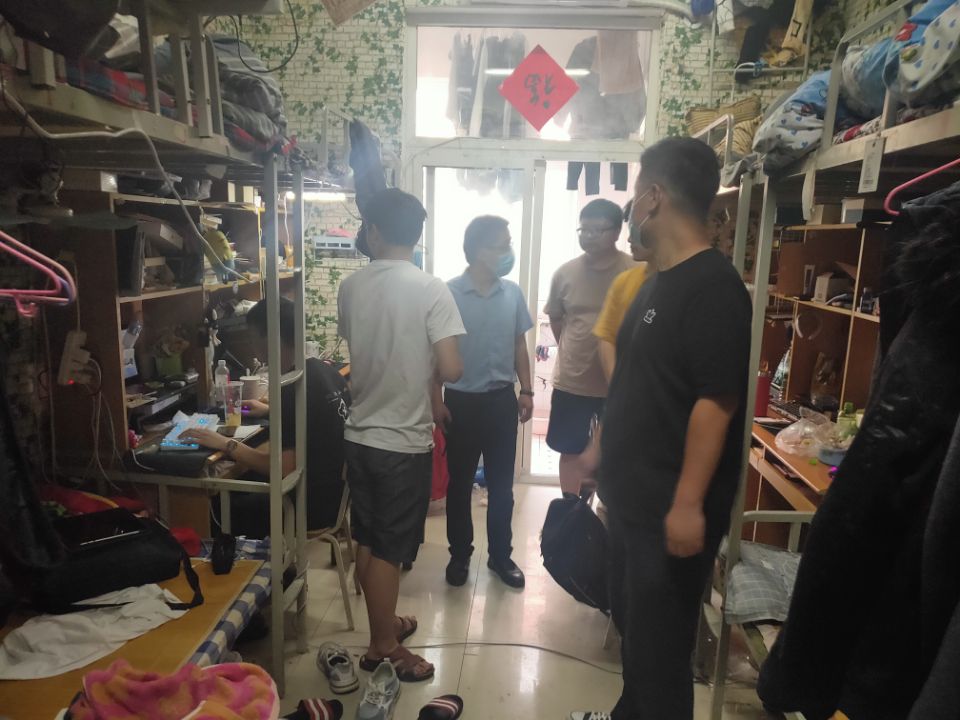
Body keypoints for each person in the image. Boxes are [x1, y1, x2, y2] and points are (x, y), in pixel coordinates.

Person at [571, 137, 751, 720]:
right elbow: (635, 385)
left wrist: (689, 504)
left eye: (635, 193)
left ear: (653, 196)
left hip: (667, 510)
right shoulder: (655, 281)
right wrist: (598, 449)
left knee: (662, 655)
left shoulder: (714, 288)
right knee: (636, 641)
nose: (631, 207)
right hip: (632, 500)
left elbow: (716, 403)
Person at [337, 187, 465, 683]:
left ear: (373, 231)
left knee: (369, 537)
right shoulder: (431, 288)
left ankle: (382, 626)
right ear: (417, 234)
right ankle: (384, 647)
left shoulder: (351, 286)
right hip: (402, 440)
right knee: (390, 547)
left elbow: (359, 345)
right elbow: (451, 368)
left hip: (360, 433)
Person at [179, 297, 350, 538]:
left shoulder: (291, 388)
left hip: (307, 509)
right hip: (335, 498)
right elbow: (317, 419)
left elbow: (284, 469)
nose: (251, 346)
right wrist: (269, 410)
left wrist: (227, 444)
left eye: (252, 337)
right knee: (244, 479)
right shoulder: (326, 372)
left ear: (270, 338)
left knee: (214, 507)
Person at [433, 216, 534, 590]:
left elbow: (519, 344)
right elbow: (435, 351)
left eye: (508, 244)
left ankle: (501, 557)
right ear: (478, 250)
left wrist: (527, 390)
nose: (508, 252)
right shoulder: (448, 294)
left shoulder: (513, 293)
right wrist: (435, 399)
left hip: (501, 402)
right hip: (460, 403)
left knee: (502, 486)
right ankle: (460, 555)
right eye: (501, 245)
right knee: (459, 485)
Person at [544, 199, 634, 495]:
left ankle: (603, 512)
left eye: (598, 230)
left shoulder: (634, 272)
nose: (589, 236)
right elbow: (556, 319)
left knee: (614, 455)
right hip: (573, 382)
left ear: (617, 232)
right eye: (584, 230)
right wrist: (574, 349)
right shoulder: (565, 273)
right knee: (570, 451)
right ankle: (571, 510)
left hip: (618, 384)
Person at [593, 200, 656, 382]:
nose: (629, 239)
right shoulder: (624, 282)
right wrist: (618, 387)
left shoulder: (690, 284)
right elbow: (606, 337)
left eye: (636, 230)